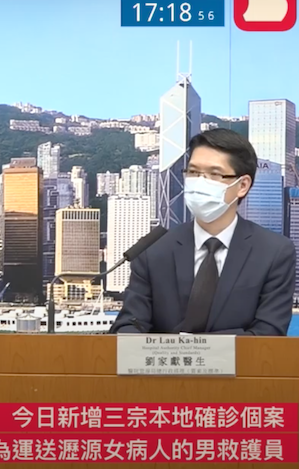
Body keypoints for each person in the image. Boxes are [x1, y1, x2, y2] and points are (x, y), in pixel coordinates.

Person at [110, 128, 295, 335]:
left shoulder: (274, 252)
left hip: (238, 368)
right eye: (193, 172)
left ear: (242, 185)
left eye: (214, 174)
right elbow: (128, 326)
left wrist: (193, 349)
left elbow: (268, 333)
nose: (199, 182)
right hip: (161, 366)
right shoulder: (153, 250)